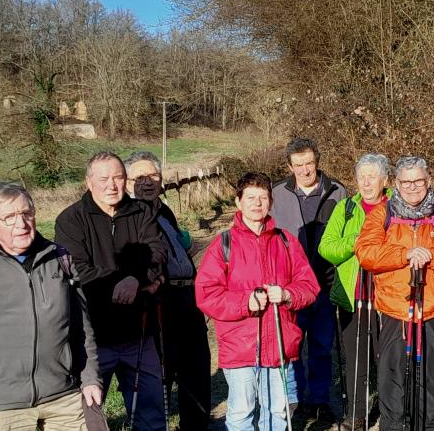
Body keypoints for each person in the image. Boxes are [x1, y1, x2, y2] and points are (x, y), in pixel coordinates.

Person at [0, 182, 103, 430]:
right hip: (2, 407)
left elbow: (82, 328)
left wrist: (90, 378)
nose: (21, 224)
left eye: (26, 213)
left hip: (64, 398)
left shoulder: (61, 259)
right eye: (9, 217)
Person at [196, 171, 320, 431]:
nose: (257, 203)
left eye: (263, 197)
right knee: (241, 412)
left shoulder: (286, 241)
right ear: (238, 202)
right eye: (250, 197)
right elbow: (206, 294)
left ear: (271, 202)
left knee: (277, 411)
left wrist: (287, 295)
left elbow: (309, 286)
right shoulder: (223, 244)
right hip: (239, 346)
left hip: (279, 343)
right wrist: (246, 302)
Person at [355, 156, 434, 431]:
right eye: (406, 182)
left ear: (428, 180)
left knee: (431, 378)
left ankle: (429, 426)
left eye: (418, 180)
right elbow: (366, 251)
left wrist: (432, 255)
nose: (412, 187)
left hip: (432, 310)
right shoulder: (382, 215)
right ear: (396, 183)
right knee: (393, 378)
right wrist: (404, 254)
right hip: (395, 310)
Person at [55, 151, 169, 431]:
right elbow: (77, 269)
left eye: (118, 178)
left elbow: (157, 254)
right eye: (104, 179)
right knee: (89, 418)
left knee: (151, 416)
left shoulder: (142, 212)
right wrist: (126, 282)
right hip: (93, 339)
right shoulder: (70, 220)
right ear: (88, 182)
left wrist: (135, 280)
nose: (112, 185)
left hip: (139, 332)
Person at [125, 151, 213, 430]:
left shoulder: (164, 210)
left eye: (153, 176)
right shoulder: (128, 217)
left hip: (187, 298)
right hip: (159, 301)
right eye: (139, 177)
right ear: (127, 183)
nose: (147, 182)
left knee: (197, 368)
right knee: (163, 371)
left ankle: (196, 426)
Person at [270, 137, 349, 425]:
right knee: (290, 347)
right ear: (289, 166)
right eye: (299, 165)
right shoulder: (277, 193)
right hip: (290, 287)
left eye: (309, 163)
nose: (305, 170)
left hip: (324, 285)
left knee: (321, 347)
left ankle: (320, 401)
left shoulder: (337, 191)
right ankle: (294, 400)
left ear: (317, 161)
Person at [318, 153, 391, 430]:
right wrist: (356, 240)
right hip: (353, 296)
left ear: (385, 180)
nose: (366, 183)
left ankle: (391, 412)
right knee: (356, 357)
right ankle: (356, 414)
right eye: (362, 177)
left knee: (387, 358)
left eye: (372, 177)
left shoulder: (397, 207)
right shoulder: (346, 208)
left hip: (387, 297)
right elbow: (327, 248)